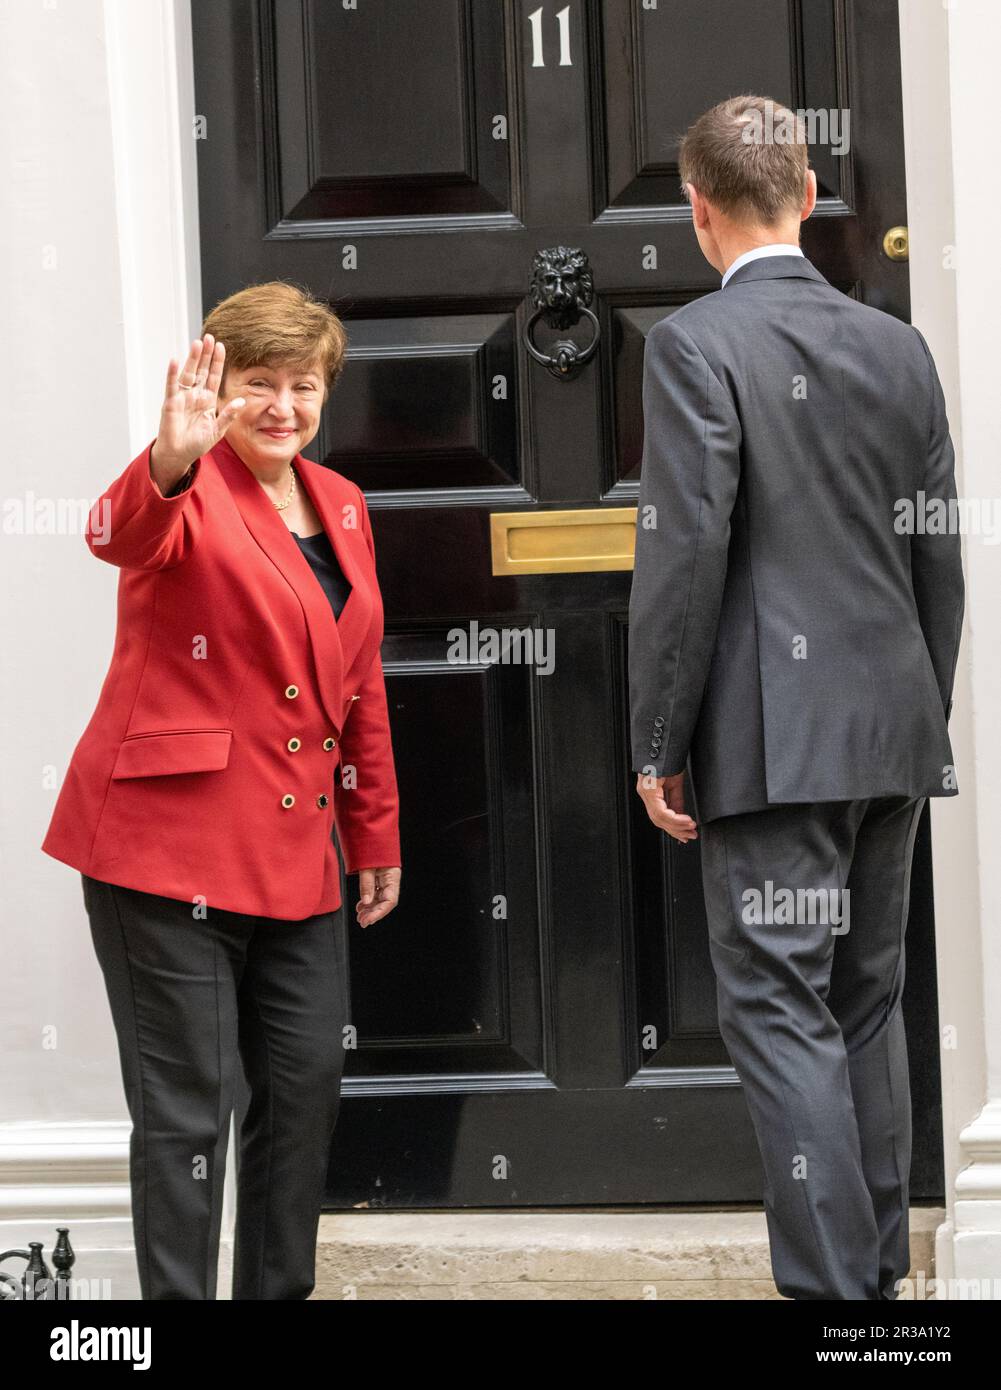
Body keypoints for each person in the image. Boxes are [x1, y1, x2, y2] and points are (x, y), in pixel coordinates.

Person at [628, 95, 964, 1300]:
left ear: (696, 212)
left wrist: (658, 740)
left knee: (778, 1013)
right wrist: (915, 714)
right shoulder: (898, 347)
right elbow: (939, 559)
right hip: (889, 734)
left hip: (771, 744)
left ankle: (833, 1306)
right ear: (809, 195)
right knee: (864, 1006)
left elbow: (683, 552)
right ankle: (873, 1291)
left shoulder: (693, 346)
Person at [41, 280, 402, 1299]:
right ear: (221, 388)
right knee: (189, 1112)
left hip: (299, 860)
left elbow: (357, 679)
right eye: (259, 384)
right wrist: (169, 456)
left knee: (300, 1098)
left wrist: (373, 831)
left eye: (302, 384)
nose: (282, 405)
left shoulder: (341, 504)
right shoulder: (184, 486)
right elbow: (117, 533)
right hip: (166, 855)